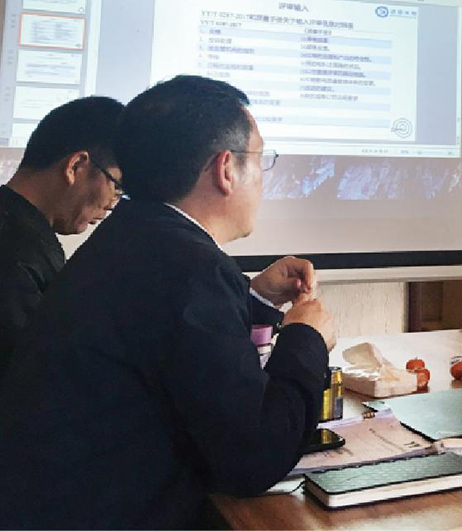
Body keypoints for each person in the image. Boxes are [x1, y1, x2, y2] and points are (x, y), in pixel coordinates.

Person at [0, 76, 335, 528]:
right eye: (260, 159)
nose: (262, 177)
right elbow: (254, 459)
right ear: (226, 169)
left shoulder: (136, 237)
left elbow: (183, 355)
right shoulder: (190, 267)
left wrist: (254, 297)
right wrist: (306, 339)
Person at [0, 96, 124, 375]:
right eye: (117, 187)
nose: (112, 205)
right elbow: (33, 373)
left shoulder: (20, 230)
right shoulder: (17, 255)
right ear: (76, 166)